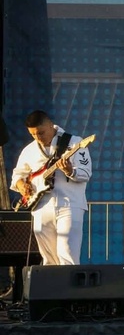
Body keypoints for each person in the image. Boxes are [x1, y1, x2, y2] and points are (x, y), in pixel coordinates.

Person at [10, 110, 92, 265]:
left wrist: (70, 170)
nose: (38, 138)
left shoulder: (74, 143)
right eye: (33, 134)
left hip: (69, 204)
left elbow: (86, 173)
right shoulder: (29, 150)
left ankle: (69, 288)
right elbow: (18, 175)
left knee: (67, 252)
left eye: (41, 132)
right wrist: (22, 185)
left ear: (50, 125)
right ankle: (52, 289)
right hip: (41, 207)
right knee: (48, 257)